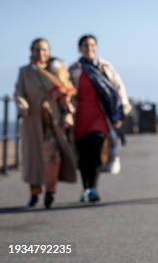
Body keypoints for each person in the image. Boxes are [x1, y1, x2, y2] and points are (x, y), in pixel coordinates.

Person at [14, 38, 77, 209]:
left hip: (53, 122)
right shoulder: (25, 72)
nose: (41, 53)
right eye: (37, 50)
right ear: (31, 52)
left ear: (49, 51)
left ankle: (50, 191)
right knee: (33, 158)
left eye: (44, 50)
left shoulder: (56, 70)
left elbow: (65, 94)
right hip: (33, 122)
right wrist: (23, 105)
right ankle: (35, 193)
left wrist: (68, 113)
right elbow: (19, 92)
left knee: (54, 156)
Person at [69, 34, 131, 203]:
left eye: (92, 45)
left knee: (96, 152)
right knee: (83, 155)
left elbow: (118, 88)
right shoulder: (74, 69)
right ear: (79, 48)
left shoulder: (105, 67)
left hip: (100, 116)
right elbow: (67, 92)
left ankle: (94, 188)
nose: (90, 48)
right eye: (86, 45)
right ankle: (86, 188)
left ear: (96, 47)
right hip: (80, 116)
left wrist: (123, 109)